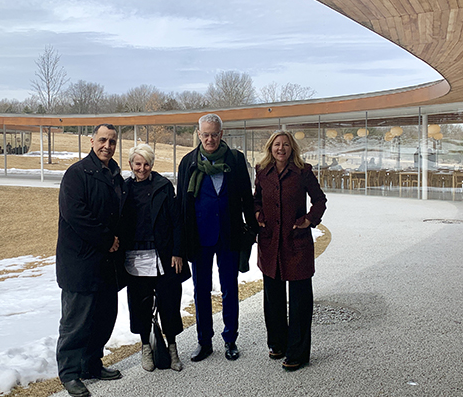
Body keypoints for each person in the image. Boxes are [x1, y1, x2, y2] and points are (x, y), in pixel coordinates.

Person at [176, 113, 256, 362]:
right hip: (199, 237)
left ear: (222, 134)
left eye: (214, 134)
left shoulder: (235, 159)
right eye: (205, 134)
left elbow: (246, 196)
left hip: (229, 234)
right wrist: (180, 243)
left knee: (230, 289)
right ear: (198, 135)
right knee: (201, 290)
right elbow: (182, 206)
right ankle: (204, 341)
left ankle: (230, 339)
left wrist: (252, 230)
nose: (210, 138)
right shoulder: (188, 162)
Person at [55, 123, 126, 397]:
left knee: (103, 318)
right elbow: (75, 214)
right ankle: (70, 373)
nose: (107, 146)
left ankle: (92, 364)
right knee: (76, 321)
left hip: (107, 264)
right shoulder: (76, 174)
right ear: (92, 141)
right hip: (81, 262)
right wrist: (106, 239)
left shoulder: (115, 176)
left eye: (112, 141)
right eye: (103, 140)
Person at [254, 130, 327, 371]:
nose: (281, 148)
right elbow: (256, 200)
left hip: (296, 243)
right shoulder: (262, 171)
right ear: (270, 147)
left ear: (292, 148)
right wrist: (257, 215)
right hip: (270, 243)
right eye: (277, 144)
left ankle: (298, 352)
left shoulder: (303, 171)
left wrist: (309, 220)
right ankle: (277, 343)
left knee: (299, 301)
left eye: (285, 144)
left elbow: (319, 200)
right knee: (272, 299)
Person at [120, 144, 189, 372]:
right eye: (137, 164)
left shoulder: (163, 186)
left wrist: (178, 251)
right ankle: (146, 347)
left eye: (146, 163)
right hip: (135, 257)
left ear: (152, 164)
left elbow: (177, 221)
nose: (142, 168)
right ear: (131, 164)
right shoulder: (124, 189)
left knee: (169, 303)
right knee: (140, 305)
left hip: (164, 255)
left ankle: (172, 348)